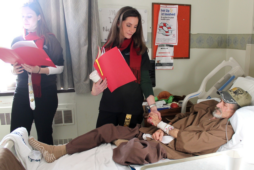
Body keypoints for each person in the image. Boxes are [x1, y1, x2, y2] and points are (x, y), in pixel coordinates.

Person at [28, 87, 252, 165]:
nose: (220, 104)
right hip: (158, 134)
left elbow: (190, 143)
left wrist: (162, 127)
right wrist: (158, 128)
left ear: (237, 112)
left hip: (171, 149)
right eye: (223, 99)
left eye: (227, 104)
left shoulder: (224, 131)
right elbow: (188, 115)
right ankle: (57, 151)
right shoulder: (211, 108)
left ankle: (122, 143)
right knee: (108, 128)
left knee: (131, 149)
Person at [91, 6, 161, 128]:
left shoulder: (140, 50)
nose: (132, 30)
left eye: (135, 26)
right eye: (128, 25)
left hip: (131, 109)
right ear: (118, 23)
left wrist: (153, 108)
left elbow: (145, 81)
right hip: (108, 108)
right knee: (102, 143)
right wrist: (95, 90)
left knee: (127, 145)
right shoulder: (106, 48)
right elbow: (99, 77)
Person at [10, 1, 64, 145]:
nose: (25, 20)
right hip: (22, 92)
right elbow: (13, 65)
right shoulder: (17, 40)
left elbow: (60, 68)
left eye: (29, 16)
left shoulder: (50, 40)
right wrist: (13, 70)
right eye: (22, 17)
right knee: (16, 135)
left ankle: (47, 166)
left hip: (45, 93)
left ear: (39, 17)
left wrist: (39, 70)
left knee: (44, 135)